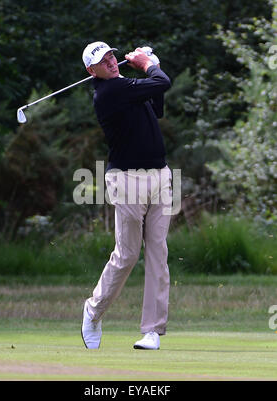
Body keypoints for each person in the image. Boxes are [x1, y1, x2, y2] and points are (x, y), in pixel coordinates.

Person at [81, 41, 172, 350]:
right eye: (102, 61)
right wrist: (149, 64)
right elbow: (163, 81)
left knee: (159, 253)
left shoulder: (125, 85)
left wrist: (150, 65)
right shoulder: (108, 93)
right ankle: (93, 310)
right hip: (128, 180)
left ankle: (152, 331)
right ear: (91, 71)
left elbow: (157, 104)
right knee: (128, 254)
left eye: (111, 56)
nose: (110, 62)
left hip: (161, 176)